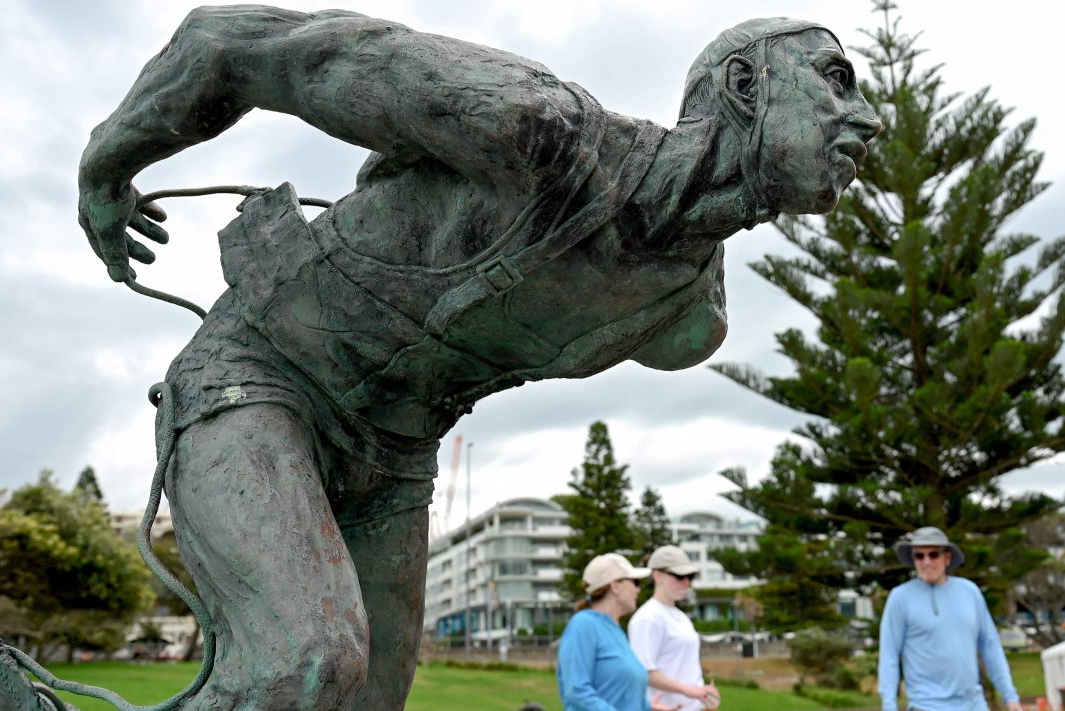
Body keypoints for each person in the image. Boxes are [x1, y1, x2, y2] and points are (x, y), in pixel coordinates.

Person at [75, 6, 879, 710]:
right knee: (309, 661)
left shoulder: (688, 320)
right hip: (263, 374)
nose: (869, 118)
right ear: (744, 86)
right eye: (836, 80)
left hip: (394, 460)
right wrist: (108, 164)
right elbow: (235, 43)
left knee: (369, 699)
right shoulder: (536, 129)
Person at [878, 527, 1023, 711]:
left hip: (974, 705)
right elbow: (889, 655)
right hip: (925, 706)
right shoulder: (899, 598)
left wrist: (1010, 695)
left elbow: (990, 645)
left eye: (933, 554)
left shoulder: (970, 592)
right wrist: (888, 706)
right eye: (919, 556)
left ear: (947, 558)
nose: (926, 562)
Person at [559, 553, 664, 711]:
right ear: (615, 586)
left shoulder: (616, 630)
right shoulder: (583, 625)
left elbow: (618, 692)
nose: (638, 589)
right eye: (635, 582)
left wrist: (648, 707)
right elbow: (576, 691)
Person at [630, 545, 720, 710]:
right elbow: (644, 672)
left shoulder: (681, 617)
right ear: (657, 575)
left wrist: (704, 696)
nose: (686, 582)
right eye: (679, 576)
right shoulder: (648, 618)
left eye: (690, 576)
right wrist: (691, 691)